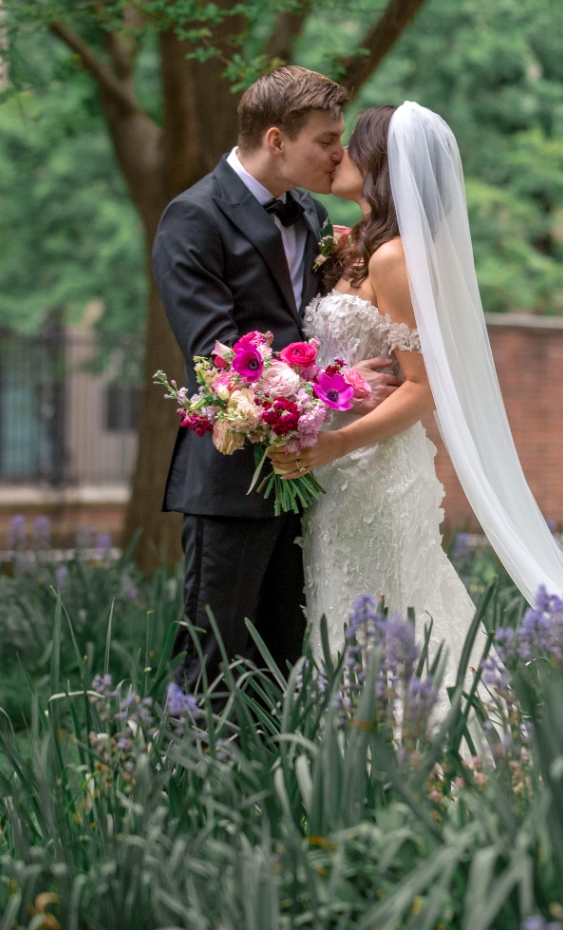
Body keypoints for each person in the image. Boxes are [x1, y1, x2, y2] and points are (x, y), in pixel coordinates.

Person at [273, 101, 563, 675]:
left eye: (352, 143)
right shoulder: (355, 248)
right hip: (337, 472)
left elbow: (424, 387)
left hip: (371, 469)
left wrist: (334, 445)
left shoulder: (394, 259)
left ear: (380, 162)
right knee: (353, 619)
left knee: (387, 621)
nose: (339, 153)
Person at [151, 66, 400, 691]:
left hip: (313, 479)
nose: (339, 153)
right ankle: (191, 786)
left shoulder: (312, 214)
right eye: (326, 140)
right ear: (277, 139)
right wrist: (335, 384)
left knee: (281, 670)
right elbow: (222, 359)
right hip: (233, 479)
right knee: (215, 661)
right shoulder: (194, 217)